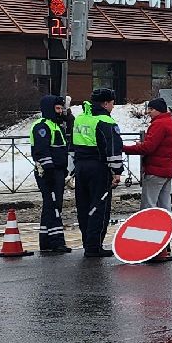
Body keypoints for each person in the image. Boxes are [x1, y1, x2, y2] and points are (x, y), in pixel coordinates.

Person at [123, 97, 172, 262]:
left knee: (148, 209)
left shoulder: (159, 124)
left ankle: (151, 248)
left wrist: (125, 148)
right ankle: (165, 246)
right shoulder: (171, 123)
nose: (148, 112)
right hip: (166, 171)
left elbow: (149, 147)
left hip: (155, 171)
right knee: (164, 209)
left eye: (151, 109)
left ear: (159, 110)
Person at [72, 89, 127, 258]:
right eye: (112, 103)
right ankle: (94, 246)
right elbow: (113, 149)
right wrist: (117, 172)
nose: (113, 106)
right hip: (98, 168)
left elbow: (71, 145)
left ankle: (87, 242)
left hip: (81, 167)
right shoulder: (106, 121)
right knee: (99, 206)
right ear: (105, 103)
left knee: (83, 206)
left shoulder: (80, 119)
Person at [30, 94, 74, 254]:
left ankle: (46, 241)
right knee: (54, 206)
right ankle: (56, 242)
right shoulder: (42, 126)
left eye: (61, 108)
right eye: (57, 108)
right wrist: (49, 171)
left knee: (51, 206)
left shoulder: (55, 125)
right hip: (49, 173)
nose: (60, 111)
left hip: (57, 172)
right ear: (49, 109)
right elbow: (42, 151)